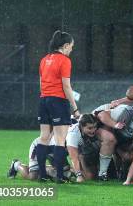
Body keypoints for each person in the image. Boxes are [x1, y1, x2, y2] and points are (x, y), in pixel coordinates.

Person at [37, 30, 80, 183]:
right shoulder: (64, 60)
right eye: (71, 47)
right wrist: (75, 108)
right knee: (60, 140)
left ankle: (42, 174)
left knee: (44, 138)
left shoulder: (44, 59)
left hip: (44, 100)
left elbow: (41, 84)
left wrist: (47, 97)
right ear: (66, 45)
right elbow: (66, 86)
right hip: (58, 101)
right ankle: (60, 176)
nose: (72, 50)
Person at [66, 114, 100, 182]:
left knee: (89, 176)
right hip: (55, 150)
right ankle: (49, 170)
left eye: (95, 127)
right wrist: (79, 175)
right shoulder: (73, 135)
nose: (93, 131)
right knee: (65, 172)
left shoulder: (85, 131)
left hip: (79, 151)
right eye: (90, 128)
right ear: (81, 126)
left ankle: (72, 170)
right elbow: (74, 158)